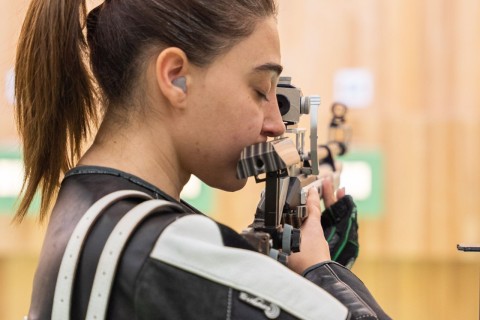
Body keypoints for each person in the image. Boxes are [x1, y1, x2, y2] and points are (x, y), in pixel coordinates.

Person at [14, 0, 390, 319]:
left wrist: (269, 261)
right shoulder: (164, 249)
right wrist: (320, 272)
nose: (277, 125)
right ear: (176, 77)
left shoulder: (95, 205)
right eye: (260, 90)